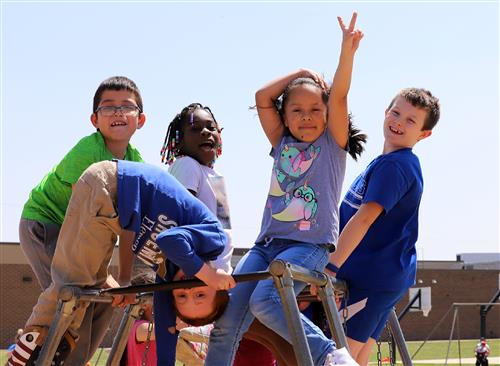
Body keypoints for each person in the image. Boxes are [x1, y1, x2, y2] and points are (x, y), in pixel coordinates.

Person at [205, 12, 365, 366]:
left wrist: (347, 51)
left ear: (326, 115)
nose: (306, 116)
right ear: (286, 115)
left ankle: (330, 356)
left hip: (309, 246)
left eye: (314, 109)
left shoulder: (331, 146)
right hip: (266, 245)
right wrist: (301, 73)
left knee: (265, 300)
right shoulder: (281, 143)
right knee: (226, 322)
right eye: (296, 110)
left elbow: (338, 96)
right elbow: (263, 96)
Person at [7, 160, 235, 366]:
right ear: (218, 286)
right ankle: (27, 349)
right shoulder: (213, 240)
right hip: (108, 186)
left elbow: (166, 329)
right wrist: (208, 274)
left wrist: (125, 280)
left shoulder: (171, 273)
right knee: (71, 281)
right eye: (200, 294)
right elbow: (168, 239)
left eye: (182, 297)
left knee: (91, 283)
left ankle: (53, 346)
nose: (187, 289)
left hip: (112, 210)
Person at [17, 76, 146, 365]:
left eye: (127, 106)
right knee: (74, 299)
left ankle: (73, 359)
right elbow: (85, 214)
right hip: (47, 225)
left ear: (141, 119)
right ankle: (28, 349)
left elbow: (130, 224)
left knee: (107, 300)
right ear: (94, 119)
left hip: (84, 238)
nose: (117, 112)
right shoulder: (88, 151)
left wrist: (125, 281)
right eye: (108, 107)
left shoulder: (136, 164)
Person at [325, 82, 441, 365]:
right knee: (358, 358)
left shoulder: (396, 166)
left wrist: (329, 266)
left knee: (340, 359)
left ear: (424, 134)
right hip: (381, 277)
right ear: (386, 111)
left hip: (373, 278)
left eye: (411, 120)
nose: (399, 122)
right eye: (396, 113)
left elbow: (364, 219)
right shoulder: (386, 162)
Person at [162, 103, 278, 365]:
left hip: (217, 270)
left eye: (211, 127)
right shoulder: (187, 165)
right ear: (179, 140)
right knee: (246, 327)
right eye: (195, 128)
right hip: (202, 273)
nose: (206, 133)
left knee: (250, 329)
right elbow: (181, 217)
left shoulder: (211, 172)